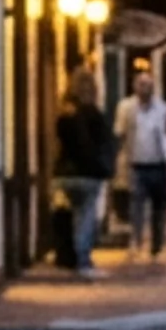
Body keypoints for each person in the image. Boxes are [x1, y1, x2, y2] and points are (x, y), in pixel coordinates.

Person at [51, 71, 116, 277]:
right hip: (88, 175)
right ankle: (82, 260)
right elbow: (99, 143)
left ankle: (66, 256)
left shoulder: (64, 112)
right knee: (85, 216)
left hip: (63, 173)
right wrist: (101, 165)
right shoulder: (93, 114)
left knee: (67, 215)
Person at [113, 67, 166, 261]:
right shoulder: (125, 108)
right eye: (141, 84)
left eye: (148, 84)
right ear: (134, 86)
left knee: (159, 207)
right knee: (136, 205)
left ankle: (157, 245)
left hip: (159, 164)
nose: (145, 88)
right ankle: (136, 241)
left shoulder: (165, 109)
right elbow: (120, 134)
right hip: (136, 164)